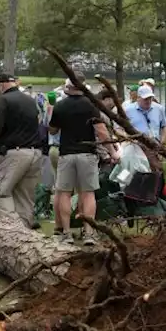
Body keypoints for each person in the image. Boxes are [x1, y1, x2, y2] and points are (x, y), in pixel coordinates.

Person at [0, 74, 45, 228]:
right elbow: (39, 122)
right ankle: (27, 233)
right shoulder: (30, 100)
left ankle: (16, 230)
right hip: (35, 152)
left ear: (1, 85)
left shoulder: (3, 100)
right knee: (24, 195)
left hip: (14, 153)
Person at [48, 77, 114, 245]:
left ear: (68, 89)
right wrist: (112, 151)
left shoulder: (60, 106)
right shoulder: (91, 105)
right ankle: (89, 232)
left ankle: (67, 233)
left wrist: (51, 112)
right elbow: (101, 131)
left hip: (66, 153)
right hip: (87, 153)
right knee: (88, 193)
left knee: (64, 193)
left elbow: (53, 130)